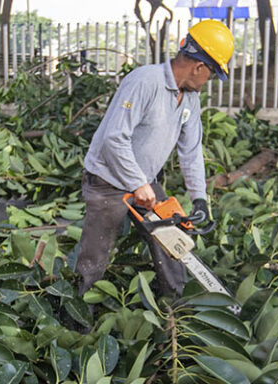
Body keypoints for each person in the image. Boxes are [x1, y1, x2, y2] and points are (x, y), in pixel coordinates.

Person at [76, 20, 234, 298]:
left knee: (173, 242)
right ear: (199, 67)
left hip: (145, 182)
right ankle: (80, 318)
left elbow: (191, 150)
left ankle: (176, 307)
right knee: (95, 256)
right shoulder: (145, 81)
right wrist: (137, 183)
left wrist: (199, 198)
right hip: (108, 182)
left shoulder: (189, 99)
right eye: (210, 75)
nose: (207, 82)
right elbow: (115, 138)